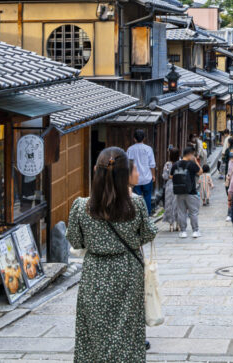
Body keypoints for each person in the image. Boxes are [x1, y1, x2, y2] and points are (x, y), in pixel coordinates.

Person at [68, 147, 157, 363]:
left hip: (95, 272)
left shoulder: (81, 207)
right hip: (127, 271)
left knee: (95, 329)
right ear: (125, 174)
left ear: (96, 172)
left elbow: (75, 241)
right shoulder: (135, 204)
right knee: (127, 328)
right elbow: (147, 234)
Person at [172, 146, 202, 238]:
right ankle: (195, 231)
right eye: (193, 155)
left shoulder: (176, 164)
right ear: (190, 154)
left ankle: (183, 231)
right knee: (193, 212)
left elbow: (171, 176)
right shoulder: (191, 164)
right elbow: (200, 172)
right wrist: (196, 161)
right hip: (191, 191)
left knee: (181, 212)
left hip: (179, 192)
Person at [126, 129, 156, 215]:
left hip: (135, 178)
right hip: (147, 176)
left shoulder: (130, 149)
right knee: (147, 196)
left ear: (134, 139)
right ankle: (147, 214)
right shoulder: (148, 149)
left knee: (135, 198)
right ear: (144, 138)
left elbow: (128, 164)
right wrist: (153, 175)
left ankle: (137, 214)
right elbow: (152, 164)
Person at [162, 147, 180, 231]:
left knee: (170, 205)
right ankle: (178, 224)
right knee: (178, 205)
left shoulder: (167, 164)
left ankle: (171, 225)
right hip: (179, 185)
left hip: (169, 185)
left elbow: (164, 176)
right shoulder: (180, 163)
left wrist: (170, 176)